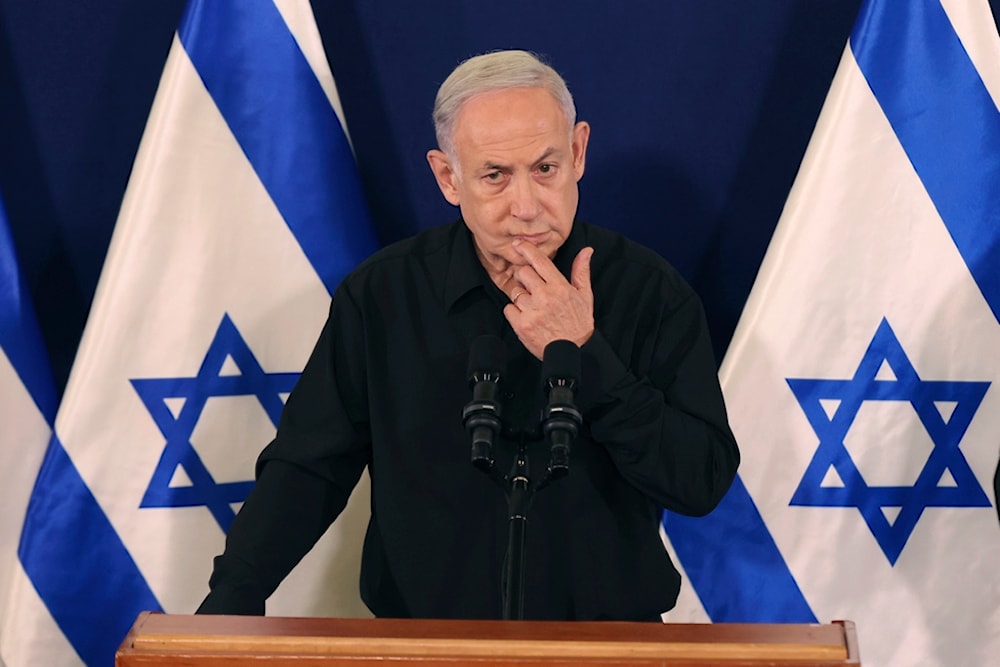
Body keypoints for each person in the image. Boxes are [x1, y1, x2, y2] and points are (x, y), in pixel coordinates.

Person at [197, 49, 739, 621]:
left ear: (578, 152)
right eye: (495, 176)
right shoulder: (382, 296)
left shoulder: (650, 293)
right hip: (421, 647)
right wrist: (234, 595)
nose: (526, 206)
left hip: (605, 646)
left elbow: (699, 480)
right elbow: (308, 468)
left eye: (546, 168)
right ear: (448, 177)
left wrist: (585, 354)